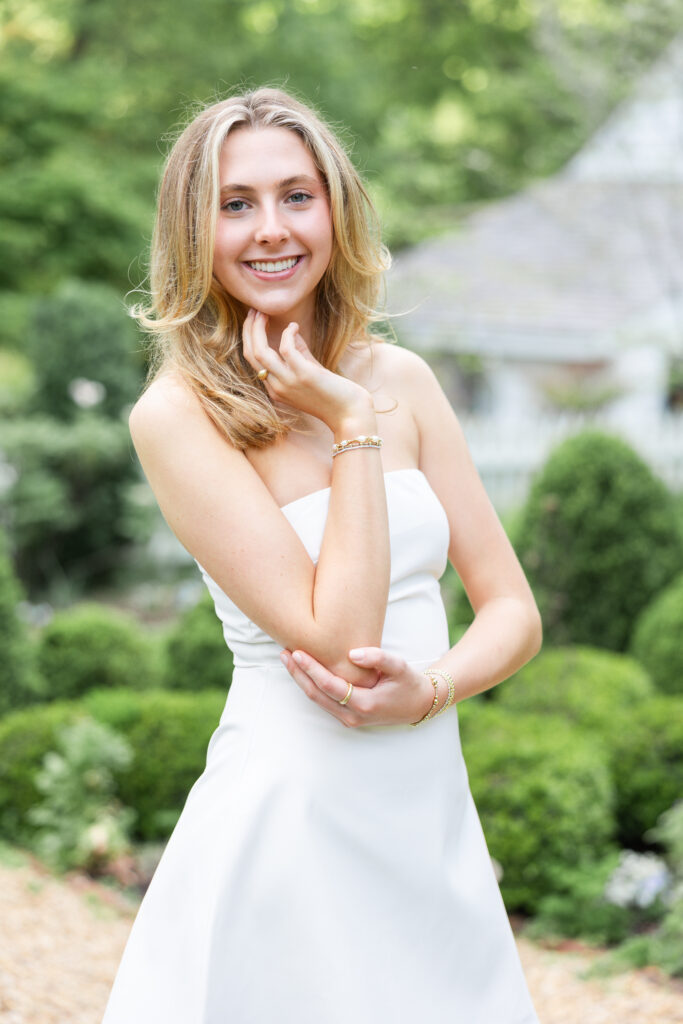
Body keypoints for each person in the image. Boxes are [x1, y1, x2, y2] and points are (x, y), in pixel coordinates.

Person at [102, 87, 542, 1024]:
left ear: (335, 209)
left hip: (426, 814)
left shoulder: (403, 380)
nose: (271, 230)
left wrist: (429, 689)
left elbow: (510, 607)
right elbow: (340, 641)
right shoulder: (178, 419)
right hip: (290, 822)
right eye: (235, 204)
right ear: (193, 231)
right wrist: (349, 425)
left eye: (296, 196)